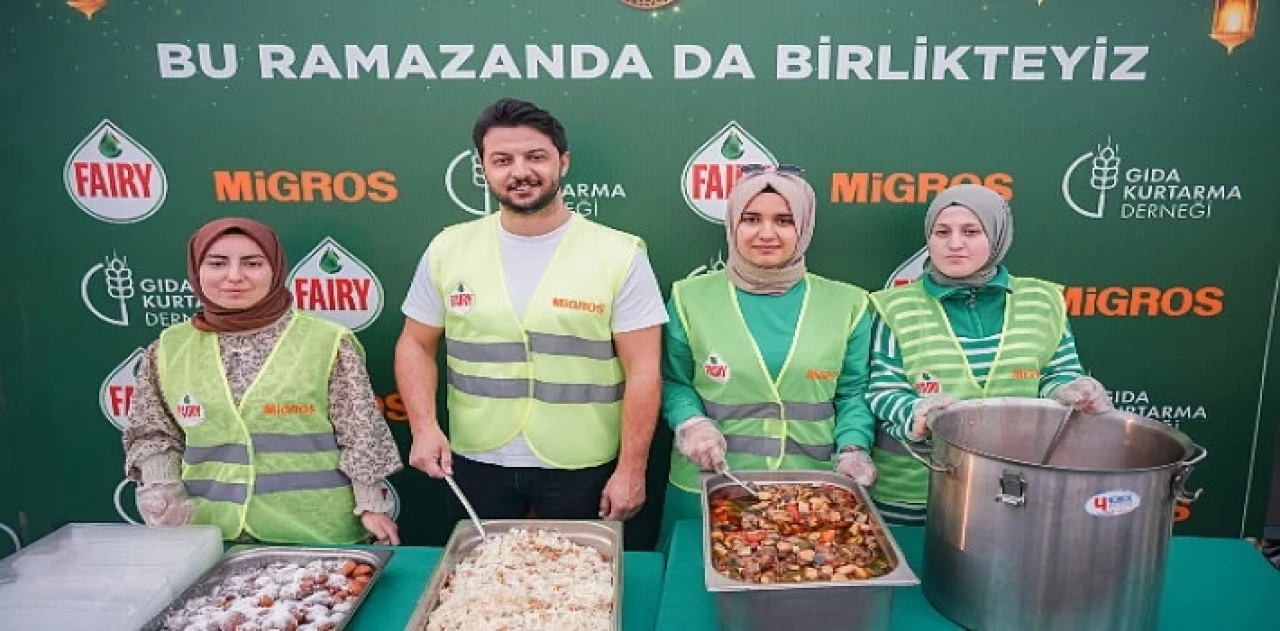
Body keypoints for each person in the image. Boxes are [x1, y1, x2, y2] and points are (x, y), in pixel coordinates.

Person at [396, 98, 666, 524]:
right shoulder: (448, 248)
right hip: (476, 460)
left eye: (535, 157)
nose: (520, 171)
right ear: (483, 168)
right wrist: (424, 427)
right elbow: (414, 343)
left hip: (582, 463)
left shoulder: (620, 255)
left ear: (563, 162)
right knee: (482, 567)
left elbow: (645, 370)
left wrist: (632, 469)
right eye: (502, 160)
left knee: (578, 569)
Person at [122, 218, 404, 544]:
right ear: (197, 271)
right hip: (210, 532)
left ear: (275, 270)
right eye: (217, 263)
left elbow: (360, 430)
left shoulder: (326, 341)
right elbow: (153, 432)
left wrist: (370, 503)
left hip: (314, 532)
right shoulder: (169, 348)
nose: (234, 276)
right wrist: (161, 490)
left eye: (252, 263)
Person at [659, 165, 878, 550]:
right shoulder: (688, 297)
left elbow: (852, 394)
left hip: (810, 494)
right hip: (708, 487)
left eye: (784, 221)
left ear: (804, 227)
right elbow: (673, 381)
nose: (766, 233)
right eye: (751, 219)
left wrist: (853, 450)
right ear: (732, 224)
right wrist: (691, 424)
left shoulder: (849, 304)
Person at [866, 184, 1112, 524]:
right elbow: (882, 389)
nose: (954, 244)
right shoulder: (893, 306)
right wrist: (918, 413)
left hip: (1015, 492)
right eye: (942, 232)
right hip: (913, 494)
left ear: (997, 236)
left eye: (971, 231)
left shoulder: (1042, 300)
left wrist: (1070, 389)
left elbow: (1057, 373)